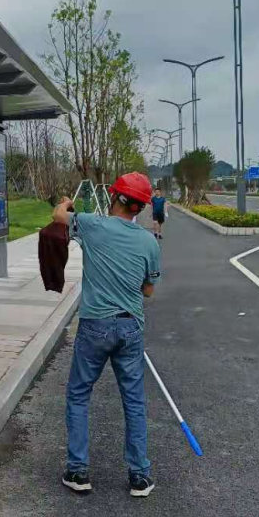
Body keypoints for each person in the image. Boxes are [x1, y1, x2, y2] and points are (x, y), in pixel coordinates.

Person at [52, 172, 161, 498]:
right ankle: (139, 476)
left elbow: (58, 216)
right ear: (140, 207)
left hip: (94, 325)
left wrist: (67, 204)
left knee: (79, 394)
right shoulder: (149, 242)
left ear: (115, 197)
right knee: (134, 401)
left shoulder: (91, 224)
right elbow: (148, 290)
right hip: (130, 327)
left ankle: (78, 471)